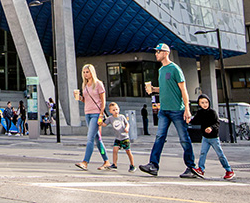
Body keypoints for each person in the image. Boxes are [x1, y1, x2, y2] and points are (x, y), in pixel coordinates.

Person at [139, 43, 201, 178]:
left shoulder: (175, 69)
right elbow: (165, 89)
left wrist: (187, 109)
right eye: (156, 52)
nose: (156, 54)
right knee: (159, 137)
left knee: (184, 139)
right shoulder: (161, 70)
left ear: (166, 53)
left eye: (158, 52)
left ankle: (191, 167)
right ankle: (153, 165)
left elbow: (183, 89)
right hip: (164, 111)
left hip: (177, 110)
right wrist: (154, 89)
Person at [73, 63, 112, 171]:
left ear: (92, 72)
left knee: (90, 138)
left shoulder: (98, 84)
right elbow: (87, 100)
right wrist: (80, 98)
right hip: (87, 113)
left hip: (96, 113)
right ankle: (107, 161)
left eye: (87, 72)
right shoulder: (85, 85)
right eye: (84, 72)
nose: (86, 74)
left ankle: (85, 162)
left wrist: (101, 114)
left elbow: (102, 101)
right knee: (97, 139)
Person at [190, 94, 234, 179]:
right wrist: (188, 120)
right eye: (202, 102)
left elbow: (217, 123)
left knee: (220, 154)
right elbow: (195, 121)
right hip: (205, 137)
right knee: (203, 153)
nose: (205, 104)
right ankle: (201, 169)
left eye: (206, 102)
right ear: (199, 104)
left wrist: (211, 128)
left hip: (214, 137)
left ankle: (229, 170)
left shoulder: (212, 112)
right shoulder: (200, 113)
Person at [100, 102, 134, 172]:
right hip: (118, 138)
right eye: (113, 110)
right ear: (110, 111)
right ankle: (114, 164)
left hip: (125, 137)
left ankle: (132, 165)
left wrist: (127, 128)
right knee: (115, 150)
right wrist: (100, 122)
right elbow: (104, 124)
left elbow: (127, 124)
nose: (115, 111)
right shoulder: (110, 118)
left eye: (116, 109)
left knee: (128, 151)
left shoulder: (122, 117)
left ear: (119, 109)